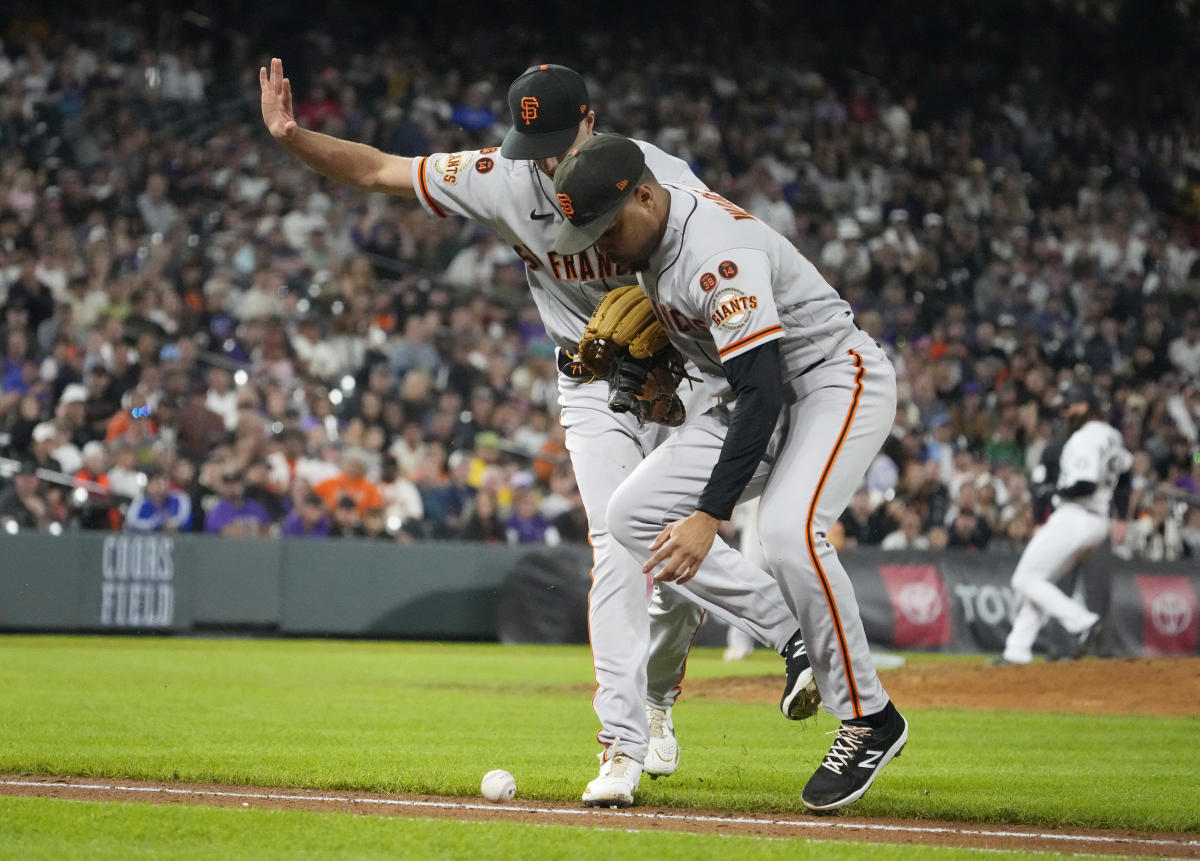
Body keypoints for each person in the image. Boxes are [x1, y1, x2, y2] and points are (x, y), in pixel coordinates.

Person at [261, 59, 817, 807]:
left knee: (678, 571)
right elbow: (380, 171)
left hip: (683, 374)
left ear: (590, 122)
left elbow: (732, 255)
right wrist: (293, 136)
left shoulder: (655, 176)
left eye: (558, 140)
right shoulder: (499, 173)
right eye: (535, 146)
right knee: (616, 539)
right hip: (589, 379)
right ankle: (624, 743)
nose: (546, 160)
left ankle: (657, 701)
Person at [552, 134, 908, 812]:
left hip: (829, 379)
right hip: (750, 395)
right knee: (631, 514)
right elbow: (731, 375)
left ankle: (869, 716)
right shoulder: (651, 245)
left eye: (605, 225)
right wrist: (664, 386)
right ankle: (792, 632)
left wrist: (709, 515)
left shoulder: (713, 254)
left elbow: (764, 391)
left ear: (647, 194)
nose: (599, 244)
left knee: (786, 532)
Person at [996, 384, 1133, 664]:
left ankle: (1082, 622)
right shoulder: (1112, 436)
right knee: (1039, 580)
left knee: (1024, 579)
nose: (1065, 412)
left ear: (1084, 406)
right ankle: (1016, 651)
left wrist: (1053, 493)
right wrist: (1121, 513)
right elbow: (1126, 473)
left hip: (1075, 515)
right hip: (1098, 521)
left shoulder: (1084, 438)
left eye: (1068, 406)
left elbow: (1085, 483)